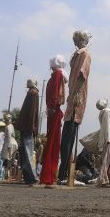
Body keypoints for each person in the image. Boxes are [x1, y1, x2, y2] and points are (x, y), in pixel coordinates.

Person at [58, 30, 92, 183]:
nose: (74, 41)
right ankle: (63, 172)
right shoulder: (77, 53)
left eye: (76, 39)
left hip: (77, 98)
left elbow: (81, 74)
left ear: (81, 39)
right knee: (67, 137)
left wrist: (77, 94)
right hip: (72, 96)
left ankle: (64, 173)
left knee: (69, 136)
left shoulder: (84, 54)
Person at [40, 55, 66, 188]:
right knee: (52, 141)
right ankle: (48, 175)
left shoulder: (57, 74)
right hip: (53, 111)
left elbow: (55, 94)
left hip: (54, 111)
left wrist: (52, 107)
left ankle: (49, 176)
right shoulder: (56, 74)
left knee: (53, 142)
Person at [15, 79, 40, 185]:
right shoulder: (31, 92)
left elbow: (32, 112)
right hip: (26, 127)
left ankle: (32, 177)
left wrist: (31, 127)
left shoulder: (33, 93)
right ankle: (28, 177)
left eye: (29, 81)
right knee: (25, 153)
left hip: (27, 127)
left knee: (28, 153)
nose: (27, 82)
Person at [1, 114, 18, 180]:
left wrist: (9, 146)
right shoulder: (11, 126)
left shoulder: (7, 127)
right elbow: (13, 135)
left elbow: (8, 137)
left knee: (8, 161)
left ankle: (8, 176)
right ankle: (10, 176)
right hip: (15, 144)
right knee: (12, 161)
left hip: (9, 144)